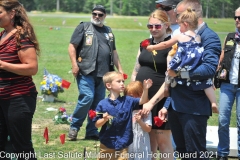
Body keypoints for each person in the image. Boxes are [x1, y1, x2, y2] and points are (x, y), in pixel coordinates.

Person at [142, 0, 221, 158]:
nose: (172, 15)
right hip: (176, 105)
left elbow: (209, 69)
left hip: (194, 107)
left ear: (190, 13)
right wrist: (167, 104)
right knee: (182, 152)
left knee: (195, 153)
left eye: (176, 13)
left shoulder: (209, 37)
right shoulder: (181, 34)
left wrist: (179, 74)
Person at [67, 5, 124, 141]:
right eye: (94, 14)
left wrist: (120, 70)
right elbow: (72, 46)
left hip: (104, 74)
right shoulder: (84, 27)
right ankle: (74, 127)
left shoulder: (108, 31)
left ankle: (92, 131)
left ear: (104, 16)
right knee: (87, 97)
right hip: (86, 70)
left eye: (100, 15)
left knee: (98, 103)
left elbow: (114, 52)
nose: (97, 17)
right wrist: (74, 64)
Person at [147, 8, 218, 113]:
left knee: (169, 73)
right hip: (195, 64)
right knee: (206, 82)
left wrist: (153, 47)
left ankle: (166, 88)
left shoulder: (181, 36)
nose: (179, 28)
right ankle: (213, 102)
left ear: (185, 24)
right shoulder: (198, 37)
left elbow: (166, 44)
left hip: (184, 61)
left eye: (179, 25)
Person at [131, 9, 174, 160]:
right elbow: (136, 69)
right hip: (143, 97)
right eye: (150, 26)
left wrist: (151, 102)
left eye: (157, 26)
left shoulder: (171, 45)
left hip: (160, 98)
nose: (153, 29)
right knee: (148, 140)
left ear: (166, 25)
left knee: (163, 141)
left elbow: (169, 79)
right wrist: (133, 93)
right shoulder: (145, 43)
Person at [0, 1, 39, 160]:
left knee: (21, 145)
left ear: (11, 14)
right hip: (1, 98)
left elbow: (32, 68)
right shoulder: (2, 34)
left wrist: (2, 64)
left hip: (19, 98)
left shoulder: (21, 36)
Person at [92, 71, 152, 160]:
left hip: (123, 144)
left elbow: (142, 101)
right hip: (106, 144)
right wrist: (104, 119)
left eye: (123, 81)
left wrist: (146, 89)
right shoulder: (102, 104)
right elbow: (97, 124)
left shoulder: (128, 100)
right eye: (118, 81)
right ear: (109, 85)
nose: (122, 84)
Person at [216, 7, 240, 160]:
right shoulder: (230, 37)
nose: (237, 20)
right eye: (235, 17)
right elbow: (221, 59)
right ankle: (222, 153)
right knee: (222, 120)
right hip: (227, 85)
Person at [124, 81, 152, 160]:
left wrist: (140, 121)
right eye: (128, 97)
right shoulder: (126, 109)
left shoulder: (146, 111)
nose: (131, 100)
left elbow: (148, 129)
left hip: (141, 142)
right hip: (128, 141)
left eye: (134, 97)